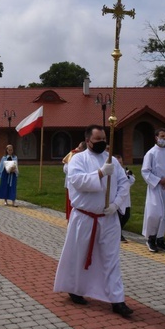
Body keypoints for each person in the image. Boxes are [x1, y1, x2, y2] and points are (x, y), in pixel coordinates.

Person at [53, 124, 133, 318]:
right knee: (79, 256)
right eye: (98, 140)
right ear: (88, 140)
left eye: (104, 139)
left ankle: (117, 299)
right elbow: (78, 181)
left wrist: (116, 204)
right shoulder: (78, 159)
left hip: (108, 217)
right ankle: (75, 288)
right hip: (85, 217)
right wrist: (99, 174)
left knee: (111, 259)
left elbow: (124, 183)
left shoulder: (112, 160)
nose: (102, 143)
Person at [141, 128, 165, 253]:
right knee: (154, 213)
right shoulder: (151, 153)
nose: (163, 138)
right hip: (155, 187)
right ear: (156, 137)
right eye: (161, 136)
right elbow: (145, 171)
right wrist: (158, 180)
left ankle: (160, 239)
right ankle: (150, 238)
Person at [62, 141, 86, 220]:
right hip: (70, 183)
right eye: (78, 147)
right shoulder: (73, 155)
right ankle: (70, 220)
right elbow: (65, 168)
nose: (76, 149)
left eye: (79, 148)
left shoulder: (84, 158)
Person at [114, 154, 134, 243]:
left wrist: (130, 175)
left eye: (121, 162)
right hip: (117, 198)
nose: (120, 164)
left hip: (126, 199)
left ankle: (118, 231)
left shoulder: (124, 171)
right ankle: (118, 234)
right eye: (118, 162)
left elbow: (131, 181)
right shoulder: (113, 172)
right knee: (118, 217)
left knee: (126, 216)